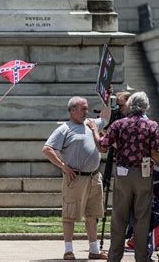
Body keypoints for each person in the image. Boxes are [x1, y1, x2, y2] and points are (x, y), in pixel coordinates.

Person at [87, 91, 159, 262]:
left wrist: (94, 130)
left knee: (119, 217)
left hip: (123, 174)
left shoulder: (119, 124)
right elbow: (155, 152)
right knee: (142, 218)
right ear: (146, 106)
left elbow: (102, 147)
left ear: (130, 105)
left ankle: (114, 257)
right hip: (144, 175)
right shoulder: (151, 125)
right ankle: (141, 257)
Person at [42, 96, 110, 260]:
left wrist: (106, 98)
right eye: (83, 109)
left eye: (87, 108)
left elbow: (106, 118)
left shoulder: (91, 124)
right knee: (70, 215)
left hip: (94, 177)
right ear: (72, 110)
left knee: (93, 215)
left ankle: (94, 250)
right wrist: (63, 166)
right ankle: (68, 250)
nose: (86, 112)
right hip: (76, 178)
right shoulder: (64, 129)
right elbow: (47, 149)